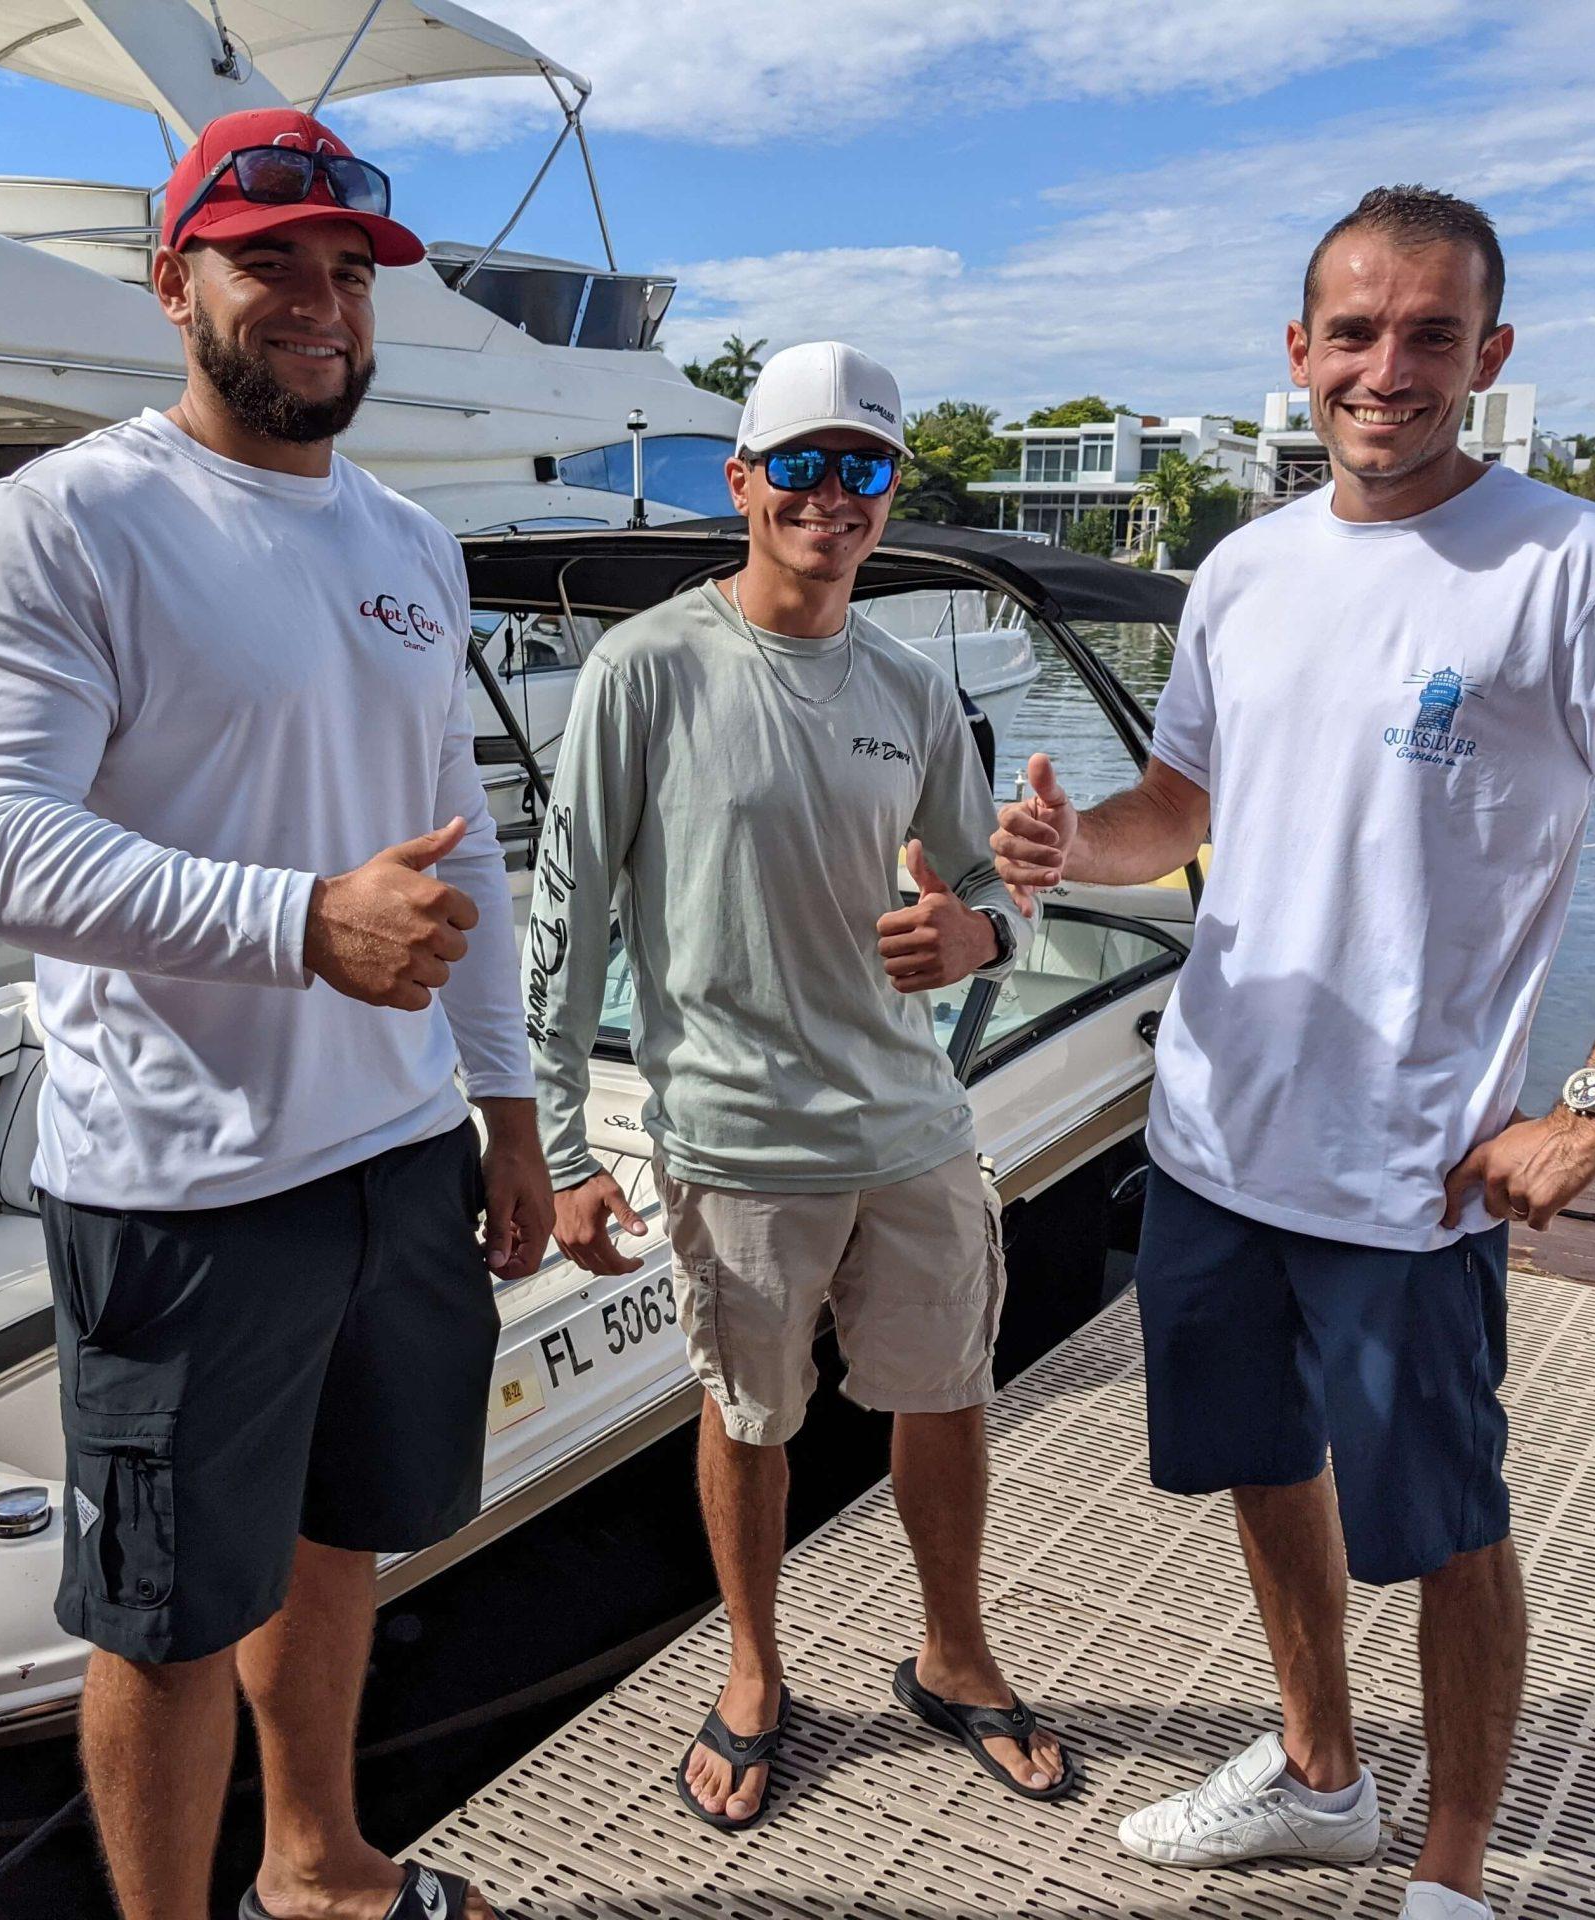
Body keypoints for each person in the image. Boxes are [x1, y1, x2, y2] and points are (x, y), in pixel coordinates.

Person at [993, 185, 1595, 1920]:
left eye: (1433, 333)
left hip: (1412, 1179)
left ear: (1490, 357)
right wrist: (1070, 852)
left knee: (1443, 1531)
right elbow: (1184, 808)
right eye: (1355, 331)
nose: (1389, 366)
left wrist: (1594, 1103)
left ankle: (1450, 1877)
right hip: (1210, 1138)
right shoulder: (1247, 566)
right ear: (1298, 356)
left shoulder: (1578, 563)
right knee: (1262, 1470)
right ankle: (1324, 1776)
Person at [0, 108, 548, 1920]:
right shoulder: (65, 522)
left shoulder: (411, 542)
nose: (318, 304)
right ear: (172, 278)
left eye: (349, 274)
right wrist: (296, 924)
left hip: (398, 1148)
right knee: (173, 1613)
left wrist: (506, 1110)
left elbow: (464, 857)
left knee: (340, 1535)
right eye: (270, 261)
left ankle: (321, 1866)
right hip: (182, 1187)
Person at [527, 340, 1070, 1832]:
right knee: (749, 1416)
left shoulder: (910, 683)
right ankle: (757, 1669)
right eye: (806, 466)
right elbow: (567, 921)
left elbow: (984, 884)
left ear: (891, 495)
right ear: (745, 483)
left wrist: (983, 930)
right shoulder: (644, 670)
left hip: (911, 1128)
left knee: (946, 1395)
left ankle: (953, 1655)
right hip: (737, 1138)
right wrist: (567, 1147)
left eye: (867, 469)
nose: (834, 498)